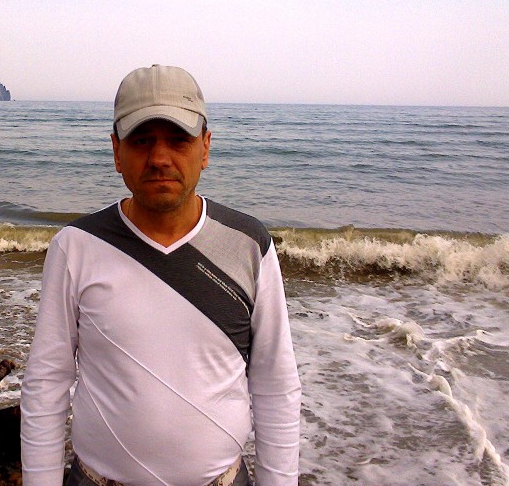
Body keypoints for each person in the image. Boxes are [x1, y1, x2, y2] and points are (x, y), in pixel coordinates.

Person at [20, 65, 301, 486]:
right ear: (116, 152)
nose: (159, 159)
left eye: (178, 140)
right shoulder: (76, 247)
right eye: (141, 141)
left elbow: (275, 383)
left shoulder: (248, 244)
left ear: (205, 148)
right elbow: (46, 383)